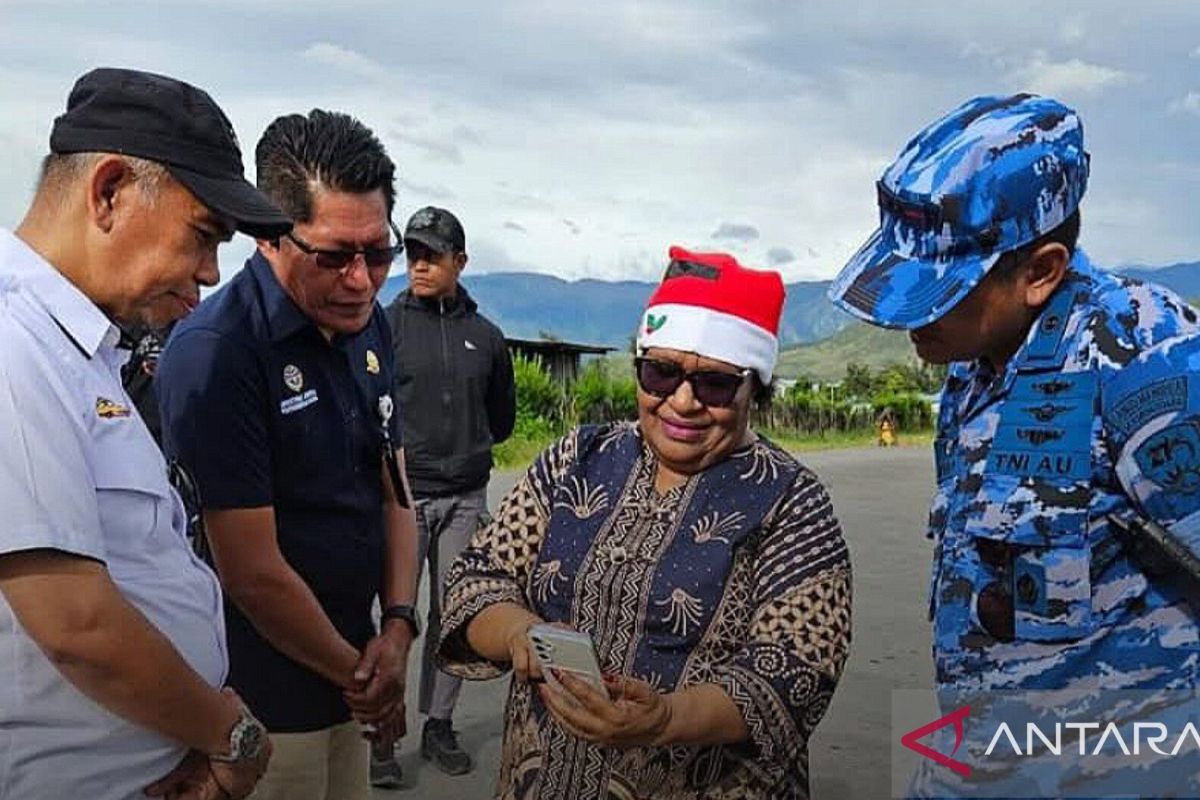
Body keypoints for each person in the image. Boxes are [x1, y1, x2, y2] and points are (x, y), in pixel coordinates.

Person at [828, 94, 1200, 796]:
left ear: (1040, 271)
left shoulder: (1140, 352)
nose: (913, 317)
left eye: (941, 291)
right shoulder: (972, 371)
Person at [436, 246, 852, 800]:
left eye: (715, 384)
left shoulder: (792, 502)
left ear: (756, 388)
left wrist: (667, 720)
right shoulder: (575, 459)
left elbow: (796, 667)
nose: (681, 402)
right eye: (660, 372)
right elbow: (477, 579)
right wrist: (519, 633)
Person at [0, 67, 289, 800]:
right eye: (202, 235)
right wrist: (232, 736)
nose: (208, 272)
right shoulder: (14, 343)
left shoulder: (81, 352)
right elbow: (78, 624)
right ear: (109, 192)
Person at [157, 109, 420, 800]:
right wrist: (366, 680)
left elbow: (395, 487)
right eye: (334, 256)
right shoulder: (219, 352)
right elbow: (251, 571)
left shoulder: (368, 326)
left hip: (357, 669)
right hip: (263, 700)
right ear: (270, 237)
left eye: (378, 252)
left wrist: (397, 626)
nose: (362, 280)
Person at [371, 206, 515, 785]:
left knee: (452, 616)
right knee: (390, 617)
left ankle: (438, 723)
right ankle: (381, 734)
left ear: (461, 261)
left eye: (433, 254)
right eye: (413, 253)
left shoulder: (486, 337)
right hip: (400, 498)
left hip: (465, 497)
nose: (420, 264)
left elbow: (501, 419)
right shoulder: (384, 326)